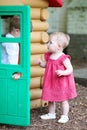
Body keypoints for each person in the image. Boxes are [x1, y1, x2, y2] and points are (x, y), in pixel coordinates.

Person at [37, 32, 77, 123]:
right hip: (50, 82)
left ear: (59, 46)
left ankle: (65, 116)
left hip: (60, 83)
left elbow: (70, 69)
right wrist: (41, 63)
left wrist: (63, 72)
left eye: (50, 42)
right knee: (50, 98)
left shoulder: (63, 58)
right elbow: (47, 65)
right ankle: (51, 114)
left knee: (63, 100)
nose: (48, 44)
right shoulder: (50, 56)